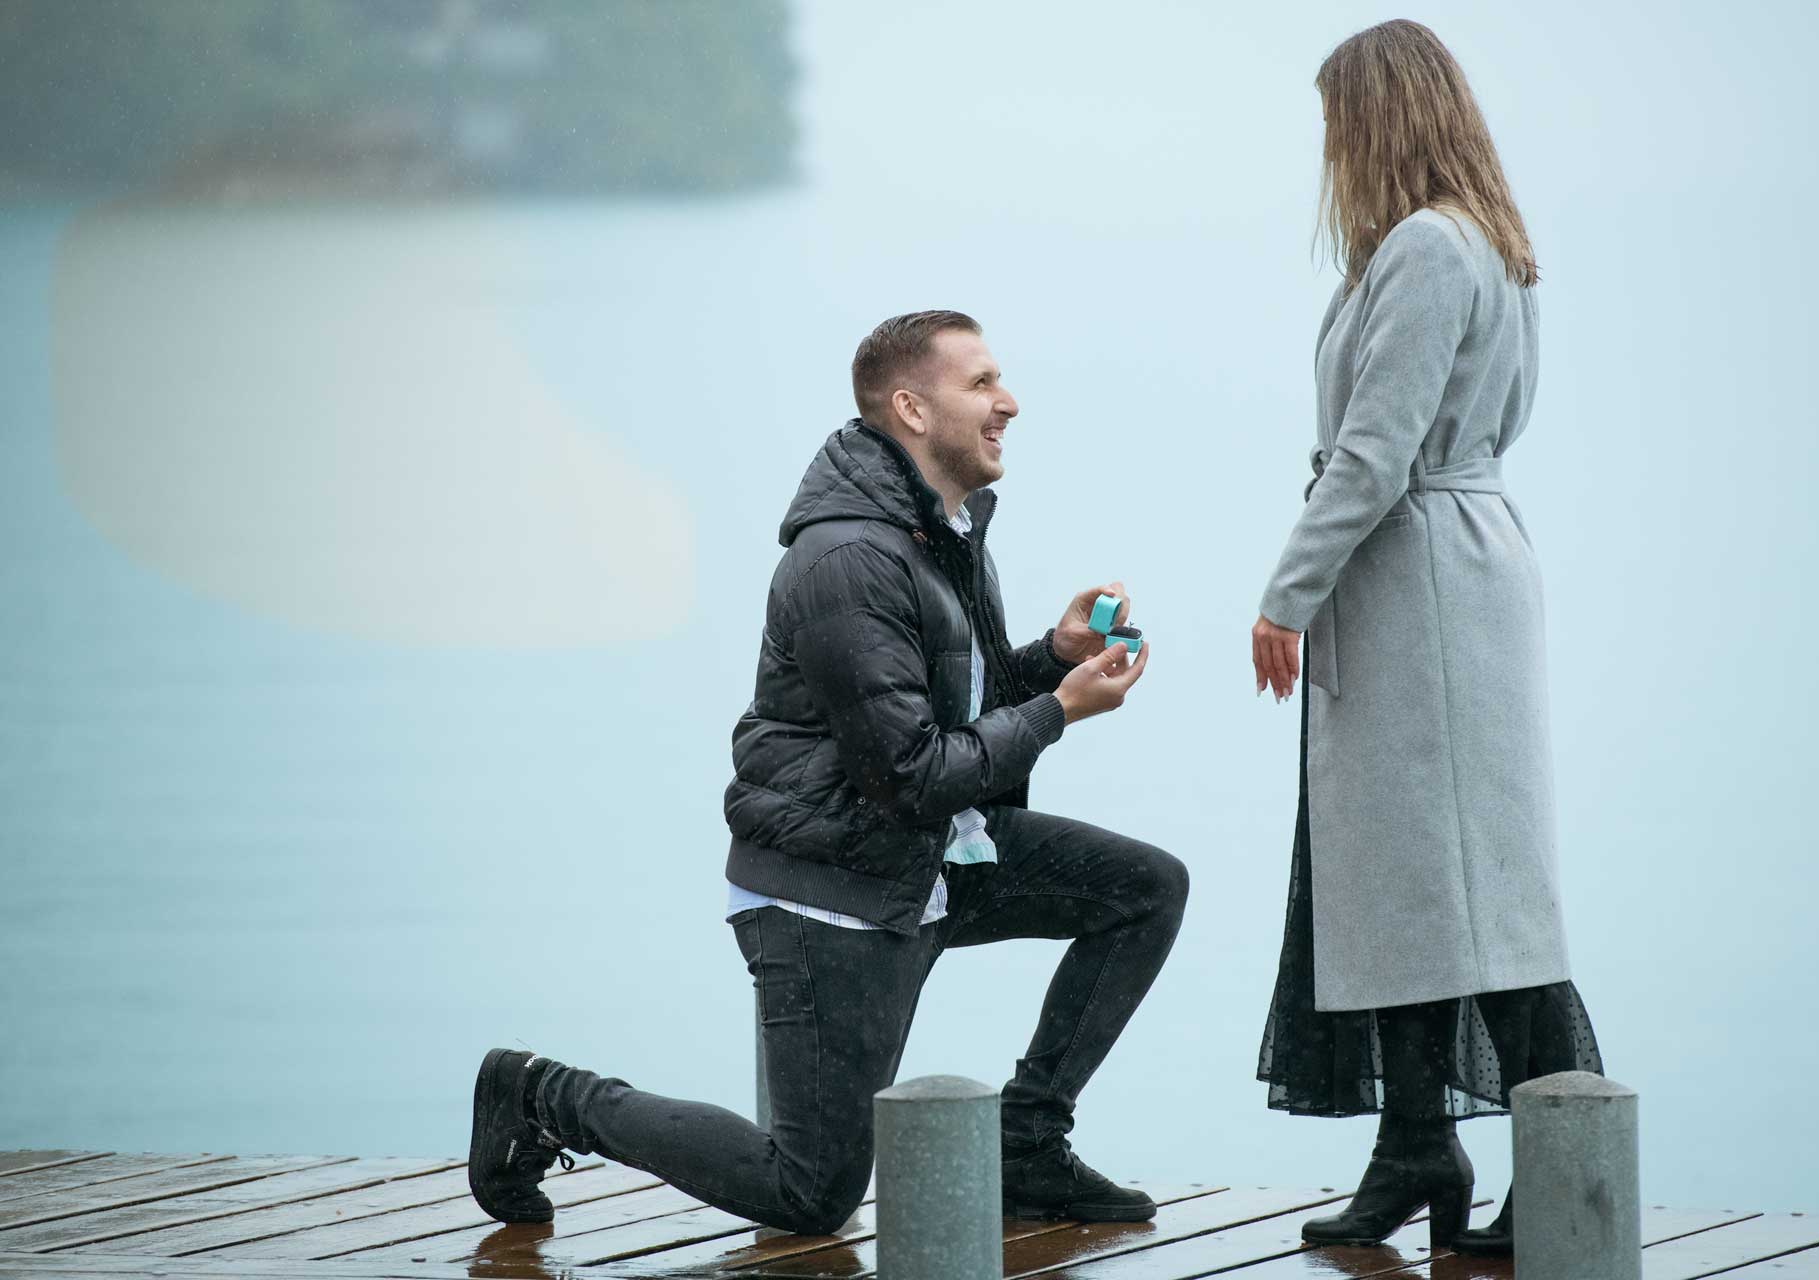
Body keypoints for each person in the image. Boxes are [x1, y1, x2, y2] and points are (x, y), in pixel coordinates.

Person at [467, 310, 1188, 1235]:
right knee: (808, 1195)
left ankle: (1028, 1143)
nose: (1008, 402)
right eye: (981, 384)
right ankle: (540, 1093)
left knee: (1145, 890)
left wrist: (1050, 658)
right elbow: (910, 773)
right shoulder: (848, 557)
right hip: (832, 890)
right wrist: (1057, 712)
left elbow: (946, 713)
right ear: (911, 410)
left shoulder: (938, 531)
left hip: (927, 858)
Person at [1249, 21, 1603, 1256]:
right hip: (1446, 570)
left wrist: (1285, 592)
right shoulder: (1484, 244)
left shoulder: (1421, 249)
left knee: (1479, 895)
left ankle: (1562, 1169)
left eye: (1338, 120)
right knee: (1417, 882)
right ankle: (1416, 1146)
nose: (1330, 148)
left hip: (1422, 585)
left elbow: (1375, 450)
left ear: (1376, 117)